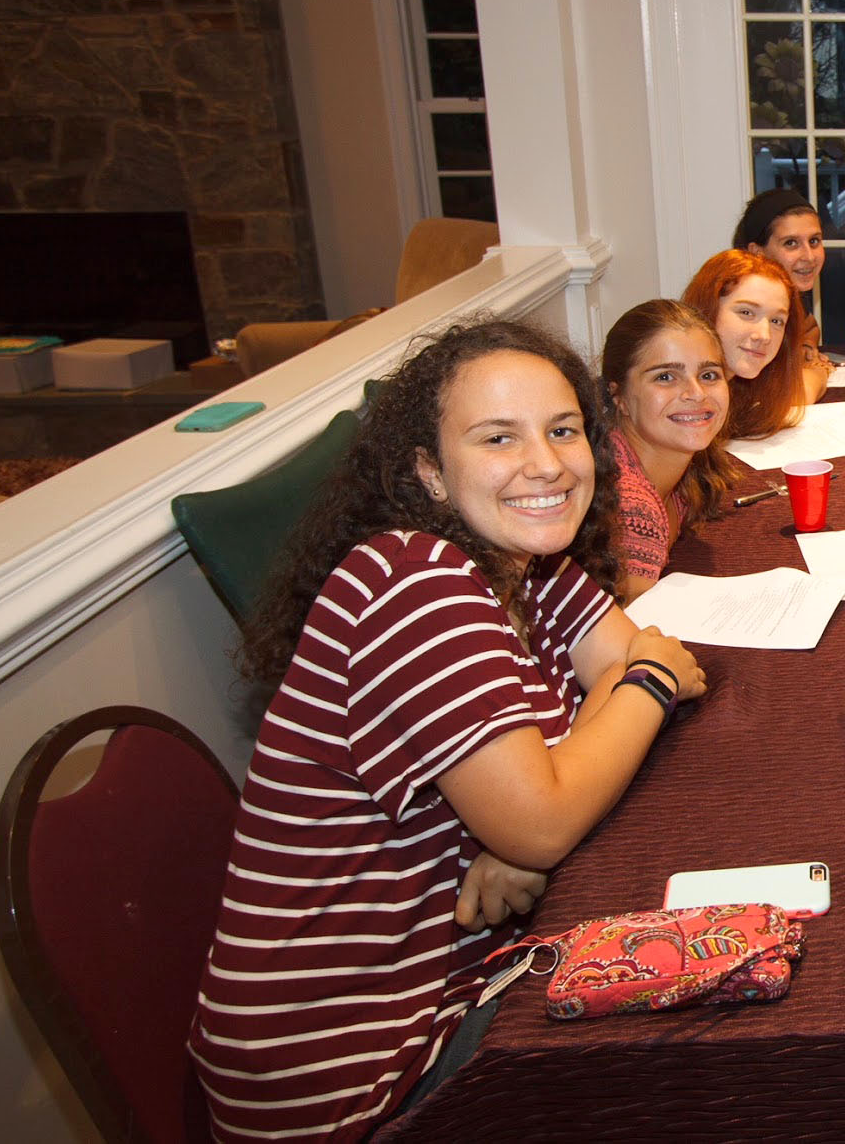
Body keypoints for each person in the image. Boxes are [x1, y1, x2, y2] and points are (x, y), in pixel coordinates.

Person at [190, 320, 710, 1142]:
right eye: (498, 437)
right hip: (364, 1077)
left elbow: (654, 656)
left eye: (563, 429)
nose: (546, 463)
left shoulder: (527, 565)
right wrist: (554, 796)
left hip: (450, 979)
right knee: (701, 1063)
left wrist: (534, 815)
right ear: (430, 471)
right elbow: (629, 698)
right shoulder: (415, 583)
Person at [601, 299, 747, 603]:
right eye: (665, 377)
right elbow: (636, 627)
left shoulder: (683, 466)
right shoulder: (628, 506)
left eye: (708, 375)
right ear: (619, 396)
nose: (696, 393)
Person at [682, 249, 809, 437]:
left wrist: (821, 371)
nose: (765, 335)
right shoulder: (678, 399)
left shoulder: (737, 389)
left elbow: (806, 387)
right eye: (747, 313)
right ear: (707, 310)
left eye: (776, 321)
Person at [733, 187, 835, 400]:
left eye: (814, 241)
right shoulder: (744, 304)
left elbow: (810, 326)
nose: (809, 256)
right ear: (757, 252)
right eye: (791, 243)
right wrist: (818, 370)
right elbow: (795, 398)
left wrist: (805, 345)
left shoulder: (788, 295)